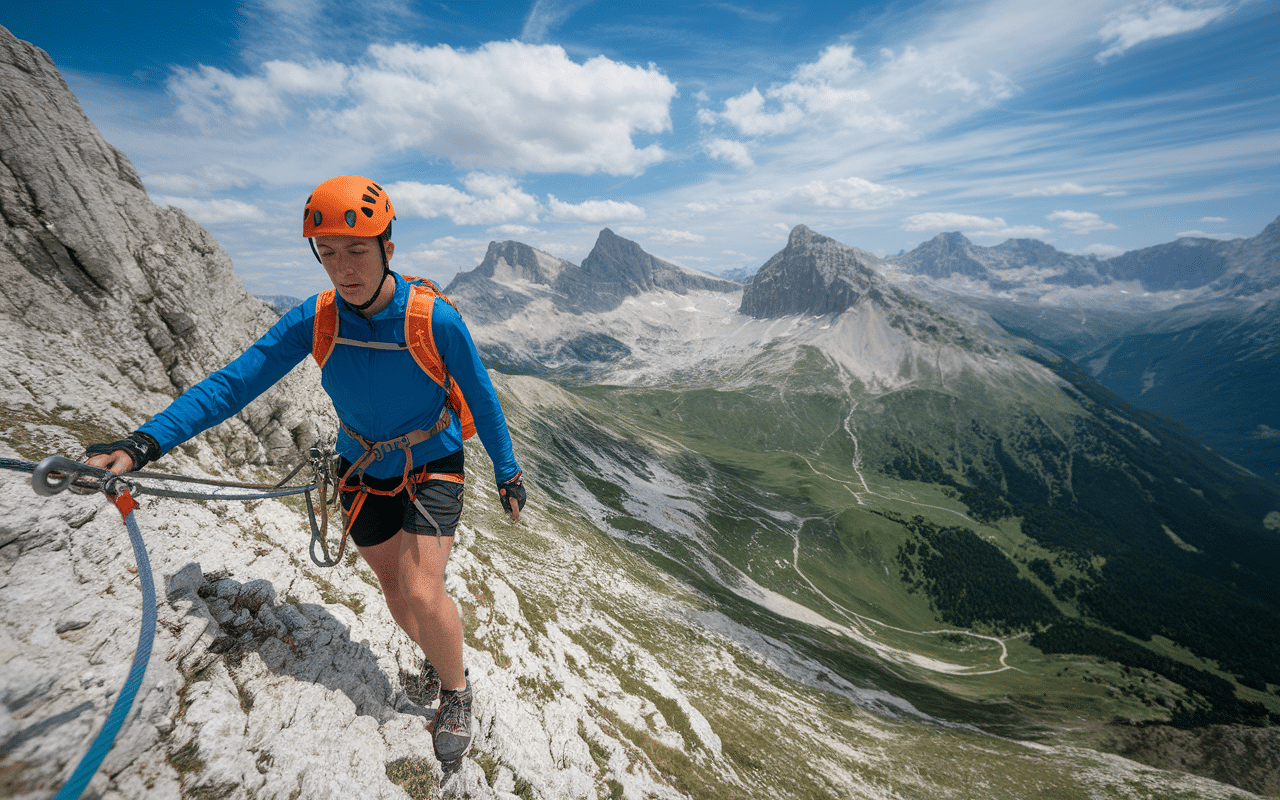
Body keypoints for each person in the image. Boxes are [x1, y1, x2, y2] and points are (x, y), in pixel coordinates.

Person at [84, 175, 525, 764]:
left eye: (357, 250)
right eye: (328, 253)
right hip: (360, 465)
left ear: (388, 249)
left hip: (432, 460)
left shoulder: (434, 320)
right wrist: (145, 442)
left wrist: (507, 472)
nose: (343, 267)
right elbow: (235, 383)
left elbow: (483, 396)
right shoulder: (316, 319)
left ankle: (456, 691)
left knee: (423, 586)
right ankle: (435, 656)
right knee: (395, 588)